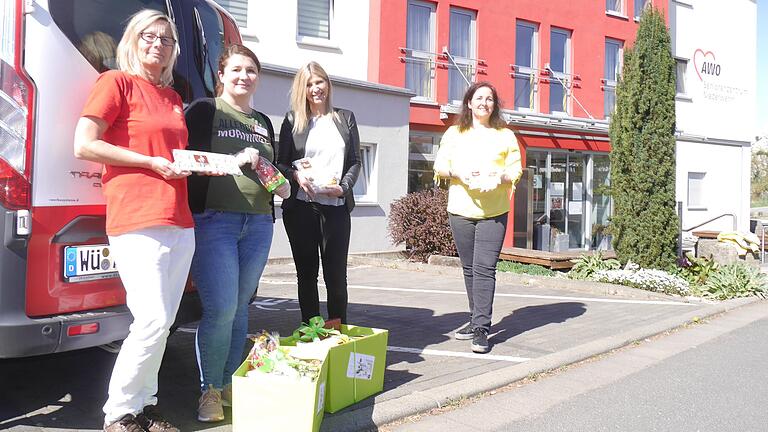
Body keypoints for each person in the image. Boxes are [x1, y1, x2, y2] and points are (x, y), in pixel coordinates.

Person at [74, 9, 194, 432]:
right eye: (149, 35)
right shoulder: (115, 83)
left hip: (179, 221)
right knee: (152, 320)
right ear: (132, 39)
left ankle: (147, 406)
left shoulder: (173, 97)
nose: (157, 44)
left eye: (166, 39)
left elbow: (172, 156)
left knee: (164, 325)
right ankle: (119, 413)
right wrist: (150, 163)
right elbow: (84, 145)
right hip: (136, 217)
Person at [184, 44, 290, 423]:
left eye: (251, 71)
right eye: (237, 70)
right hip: (216, 220)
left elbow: (268, 169)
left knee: (242, 306)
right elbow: (184, 160)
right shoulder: (205, 110)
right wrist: (233, 161)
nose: (244, 76)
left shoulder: (263, 120)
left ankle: (230, 382)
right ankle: (209, 389)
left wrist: (282, 184)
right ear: (222, 75)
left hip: (259, 221)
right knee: (221, 307)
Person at [433, 81, 522, 354]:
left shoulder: (505, 135)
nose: (484, 102)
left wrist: (500, 177)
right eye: (479, 98)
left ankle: (482, 328)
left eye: (490, 99)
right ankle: (475, 320)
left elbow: (515, 168)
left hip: (493, 211)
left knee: (485, 269)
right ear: (469, 103)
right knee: (470, 268)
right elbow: (440, 166)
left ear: (494, 105)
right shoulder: (454, 133)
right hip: (460, 209)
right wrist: (458, 173)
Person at [277, 61, 361, 325]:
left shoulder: (345, 118)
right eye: (310, 84)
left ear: (328, 84)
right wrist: (295, 174)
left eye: (319, 82)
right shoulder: (293, 120)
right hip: (302, 209)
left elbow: (356, 161)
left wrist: (344, 187)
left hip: (335, 208)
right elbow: (281, 162)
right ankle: (312, 333)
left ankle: (338, 332)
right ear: (302, 90)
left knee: (336, 278)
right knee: (307, 274)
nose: (316, 89)